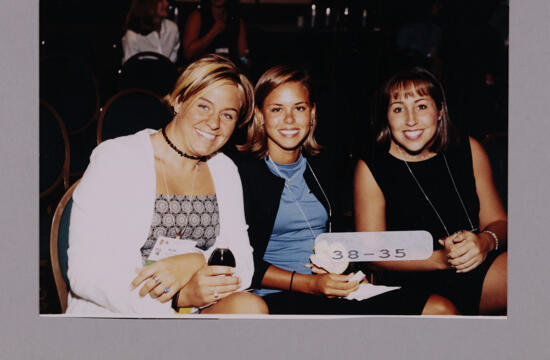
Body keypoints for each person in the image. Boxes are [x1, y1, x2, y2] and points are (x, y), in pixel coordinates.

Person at [234, 65, 457, 315]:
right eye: (277, 109)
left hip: (334, 289)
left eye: (299, 108)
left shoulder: (323, 166)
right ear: (260, 115)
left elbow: (345, 237)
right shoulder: (241, 175)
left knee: (439, 309)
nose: (289, 119)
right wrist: (310, 284)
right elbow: (239, 261)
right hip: (277, 297)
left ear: (313, 113)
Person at [67, 54, 267, 315]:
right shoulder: (117, 159)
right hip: (120, 311)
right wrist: (176, 299)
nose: (214, 123)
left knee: (250, 309)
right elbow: (86, 274)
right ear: (179, 100)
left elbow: (243, 266)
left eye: (227, 115)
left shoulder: (224, 169)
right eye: (204, 106)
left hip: (191, 309)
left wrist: (195, 261)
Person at [354, 67, 507, 315]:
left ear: (440, 110)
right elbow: (370, 251)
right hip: (415, 277)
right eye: (398, 108)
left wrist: (486, 242)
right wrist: (440, 259)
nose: (411, 119)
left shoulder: (469, 149)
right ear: (386, 117)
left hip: (476, 264)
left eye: (422, 106)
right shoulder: (371, 167)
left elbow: (499, 221)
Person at [183, 0, 249, 68]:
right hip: (203, 69)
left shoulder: (237, 20)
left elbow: (243, 55)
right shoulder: (197, 16)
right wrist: (213, 32)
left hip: (229, 69)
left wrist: (245, 62)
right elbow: (189, 53)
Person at [121, 0, 180, 64]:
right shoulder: (133, 35)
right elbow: (130, 68)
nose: (166, 3)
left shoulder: (172, 29)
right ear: (147, 4)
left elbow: (172, 63)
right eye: (160, 0)